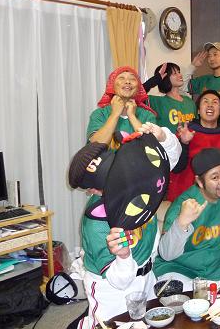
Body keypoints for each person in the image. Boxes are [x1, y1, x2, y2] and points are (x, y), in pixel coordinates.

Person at [69, 122, 181, 329]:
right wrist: (123, 256)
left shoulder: (138, 181)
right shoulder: (97, 222)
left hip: (147, 278)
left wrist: (162, 136)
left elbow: (168, 160)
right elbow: (119, 281)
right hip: (112, 291)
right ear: (95, 190)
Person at [153, 147, 220, 290]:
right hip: (177, 269)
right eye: (215, 177)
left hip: (214, 270)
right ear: (199, 182)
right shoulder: (185, 205)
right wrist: (181, 222)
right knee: (189, 302)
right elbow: (167, 254)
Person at [166, 89, 220, 202]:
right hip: (188, 199)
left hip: (219, 200)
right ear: (198, 110)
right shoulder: (185, 132)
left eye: (215, 102)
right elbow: (176, 169)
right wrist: (184, 143)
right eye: (205, 101)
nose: (210, 105)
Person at [87, 66, 156, 148]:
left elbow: (152, 146)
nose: (127, 81)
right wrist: (115, 114)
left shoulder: (148, 115)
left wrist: (132, 116)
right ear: (112, 85)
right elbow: (95, 145)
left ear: (138, 87)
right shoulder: (99, 114)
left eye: (132, 79)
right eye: (121, 78)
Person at [142, 62, 196, 133]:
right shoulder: (156, 102)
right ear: (165, 78)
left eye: (179, 72)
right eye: (174, 73)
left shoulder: (189, 101)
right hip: (166, 140)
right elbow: (134, 95)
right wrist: (155, 80)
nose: (180, 75)